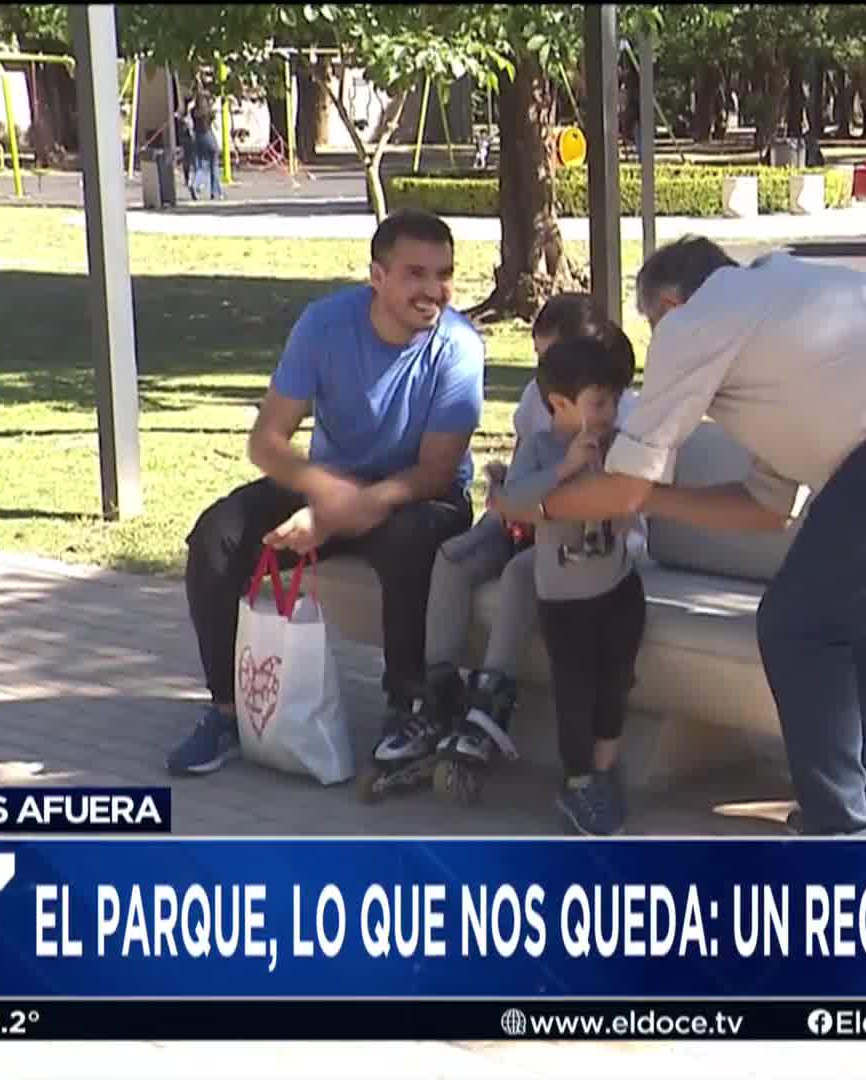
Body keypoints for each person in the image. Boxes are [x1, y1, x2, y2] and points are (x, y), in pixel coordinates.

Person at [534, 237, 866, 838]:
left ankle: (841, 830)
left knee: (796, 625)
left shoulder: (696, 320)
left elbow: (623, 485)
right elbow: (767, 509)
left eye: (652, 326)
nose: (656, 350)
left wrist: (540, 502)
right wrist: (651, 499)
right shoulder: (776, 325)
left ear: (668, 303)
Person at [167, 209, 484, 776]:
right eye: (416, 273)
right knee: (216, 535)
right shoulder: (325, 325)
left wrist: (337, 515)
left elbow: (438, 471)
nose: (433, 290)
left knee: (410, 540)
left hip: (416, 497)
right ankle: (228, 711)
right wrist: (324, 495)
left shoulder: (459, 345)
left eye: (444, 274)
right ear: (377, 277)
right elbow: (267, 441)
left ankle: (408, 703)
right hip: (332, 481)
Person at [365, 293, 640, 803]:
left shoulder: (614, 409)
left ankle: (493, 700)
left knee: (519, 574)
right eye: (540, 358)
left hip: (574, 538)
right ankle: (439, 694)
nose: (545, 372)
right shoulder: (541, 398)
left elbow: (619, 508)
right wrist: (505, 494)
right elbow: (523, 473)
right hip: (523, 513)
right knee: (453, 557)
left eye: (554, 356)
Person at [492, 337, 645, 835]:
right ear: (559, 403)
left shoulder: (619, 443)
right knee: (575, 690)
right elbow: (513, 500)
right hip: (564, 599)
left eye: (615, 401)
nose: (609, 413)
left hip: (619, 586)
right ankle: (577, 781)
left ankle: (604, 771)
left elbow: (636, 501)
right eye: (598, 402)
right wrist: (566, 468)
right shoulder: (540, 449)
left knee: (615, 682)